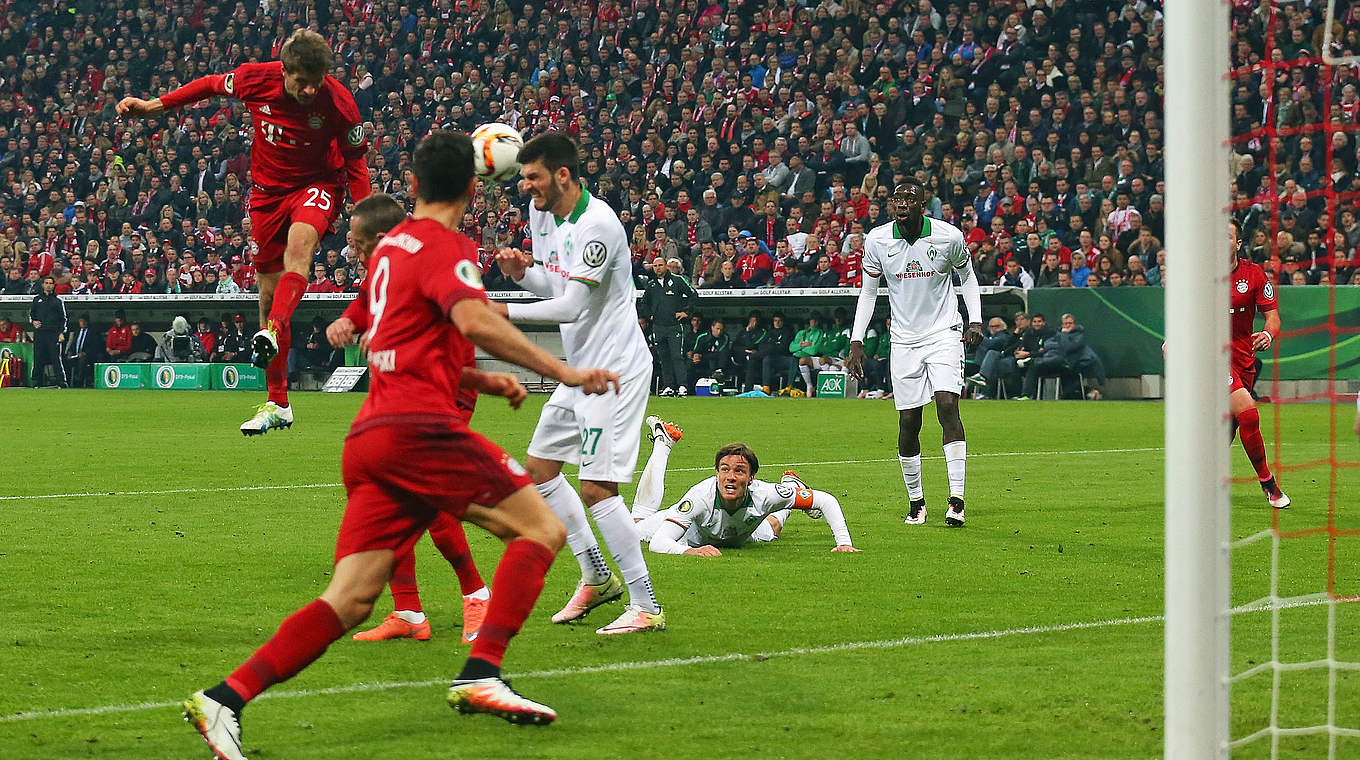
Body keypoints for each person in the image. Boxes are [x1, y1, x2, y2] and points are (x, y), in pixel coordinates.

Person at [182, 132, 621, 760]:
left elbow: (400, 342)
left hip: (371, 436)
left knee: (352, 597)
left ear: (411, 186)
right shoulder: (450, 247)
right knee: (540, 532)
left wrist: (478, 378)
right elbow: (473, 321)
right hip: (422, 431)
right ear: (476, 188)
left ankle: (225, 697)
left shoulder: (389, 248)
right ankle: (482, 673)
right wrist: (567, 373)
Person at [117, 29, 371, 435]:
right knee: (267, 296)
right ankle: (278, 403)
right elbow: (209, 85)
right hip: (267, 195)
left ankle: (270, 333)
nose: (309, 88)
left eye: (316, 80)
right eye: (301, 80)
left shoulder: (339, 102)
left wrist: (366, 214)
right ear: (284, 70)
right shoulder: (258, 78)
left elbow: (356, 164)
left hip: (319, 185)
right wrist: (154, 107)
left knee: (300, 248)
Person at [492, 132, 666, 634]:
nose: (525, 186)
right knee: (541, 470)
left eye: (533, 177)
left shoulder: (599, 225)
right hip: (578, 368)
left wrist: (497, 310)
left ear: (562, 175)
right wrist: (521, 276)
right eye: (523, 177)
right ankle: (595, 575)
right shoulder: (543, 214)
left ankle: (646, 605)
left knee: (596, 487)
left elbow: (571, 306)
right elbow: (556, 285)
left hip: (613, 371)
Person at [328, 193, 494, 645]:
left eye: (358, 245)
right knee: (386, 495)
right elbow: (365, 306)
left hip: (444, 387)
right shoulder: (381, 263)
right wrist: (347, 322)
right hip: (401, 392)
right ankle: (408, 611)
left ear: (381, 237)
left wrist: (394, 342)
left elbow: (455, 321)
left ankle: (478, 594)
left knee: (428, 500)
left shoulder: (430, 257)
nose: (354, 253)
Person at [847, 179, 984, 527]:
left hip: (944, 333)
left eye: (910, 198)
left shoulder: (948, 236)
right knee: (909, 421)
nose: (902, 203)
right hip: (904, 340)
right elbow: (868, 293)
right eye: (897, 199)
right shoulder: (877, 240)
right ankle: (917, 502)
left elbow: (967, 278)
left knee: (947, 405)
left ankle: (956, 500)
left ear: (924, 204)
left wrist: (976, 321)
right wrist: (856, 341)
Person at [630, 421, 859, 556]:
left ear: (751, 478)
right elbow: (659, 543)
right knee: (635, 529)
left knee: (774, 527)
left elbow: (825, 500)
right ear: (716, 473)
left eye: (739, 471)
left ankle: (791, 487)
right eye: (724, 470)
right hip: (690, 537)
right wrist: (690, 551)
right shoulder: (700, 497)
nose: (730, 477)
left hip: (740, 535)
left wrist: (844, 543)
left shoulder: (764, 493)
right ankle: (663, 444)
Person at [1227, 220, 1289, 508]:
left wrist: (1267, 333)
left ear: (1238, 244)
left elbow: (1273, 316)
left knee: (1228, 427)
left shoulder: (1253, 274)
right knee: (1249, 413)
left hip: (1243, 359)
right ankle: (1269, 484)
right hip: (1211, 358)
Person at [639, 255, 698, 396]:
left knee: (677, 356)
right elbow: (644, 303)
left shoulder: (677, 280)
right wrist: (650, 315)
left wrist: (686, 313)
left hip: (675, 326)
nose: (658, 268)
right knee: (663, 357)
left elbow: (693, 295)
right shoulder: (651, 285)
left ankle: (682, 386)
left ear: (666, 266)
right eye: (655, 266)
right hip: (658, 327)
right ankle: (668, 386)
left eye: (660, 265)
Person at [28, 275, 67, 387]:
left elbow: (63, 319)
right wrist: (33, 322)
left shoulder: (58, 301)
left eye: (51, 283)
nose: (49, 285)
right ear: (43, 285)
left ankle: (61, 381)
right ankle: (36, 381)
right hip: (40, 333)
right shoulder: (37, 299)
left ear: (53, 285)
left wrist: (61, 333)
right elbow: (31, 315)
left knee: (56, 358)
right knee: (38, 357)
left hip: (53, 333)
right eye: (47, 283)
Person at [63, 314, 98, 388]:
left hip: (87, 356)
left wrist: (84, 353)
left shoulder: (92, 332)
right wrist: (69, 353)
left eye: (84, 321)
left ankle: (79, 380)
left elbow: (94, 346)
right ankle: (66, 381)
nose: (82, 323)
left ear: (87, 322)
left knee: (82, 360)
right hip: (75, 355)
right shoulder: (77, 331)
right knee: (65, 359)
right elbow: (73, 344)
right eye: (81, 321)